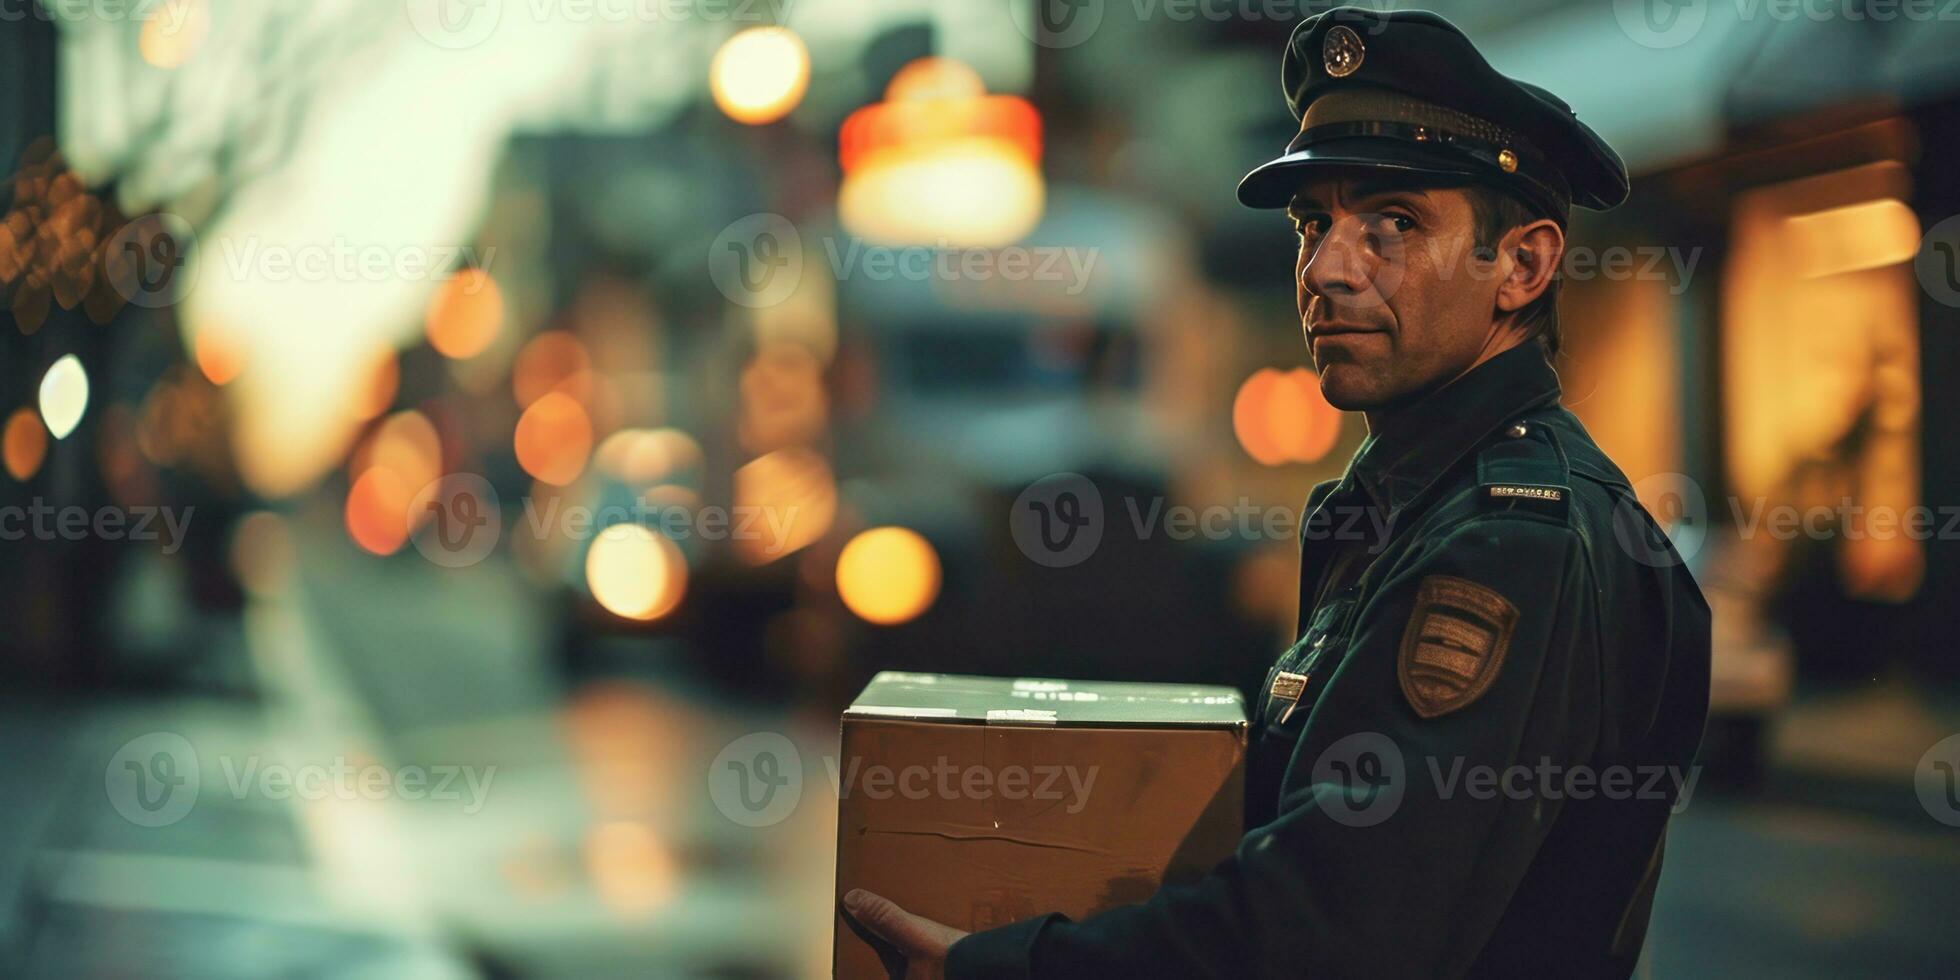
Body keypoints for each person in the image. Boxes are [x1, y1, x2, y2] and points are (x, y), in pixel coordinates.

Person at [843, 8, 1712, 977]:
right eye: (1315, 223)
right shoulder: (1414, 505)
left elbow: (1333, 928)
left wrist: (1009, 965)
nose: (1328, 268)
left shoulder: (1510, 539)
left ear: (1522, 264)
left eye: (1394, 223)